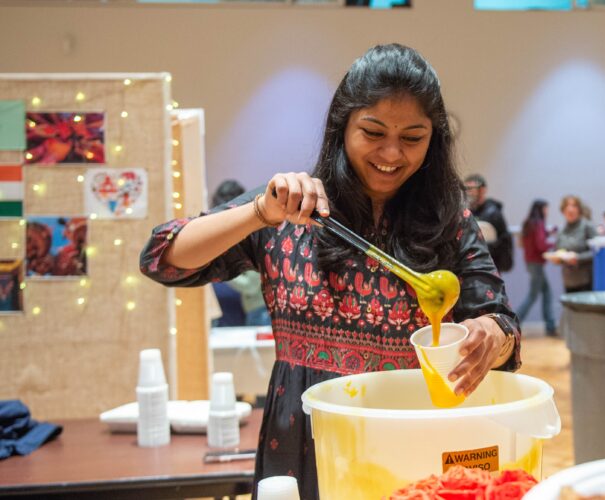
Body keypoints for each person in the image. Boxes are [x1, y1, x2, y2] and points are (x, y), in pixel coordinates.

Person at [140, 44, 521, 499]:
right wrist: (259, 212)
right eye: (373, 132)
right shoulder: (290, 208)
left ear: (433, 140)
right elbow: (162, 258)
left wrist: (492, 335)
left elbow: (502, 323)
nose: (392, 153)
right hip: (303, 438)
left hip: (412, 436)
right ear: (343, 127)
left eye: (413, 138)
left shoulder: (448, 219)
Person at [210, 180, 271, 327]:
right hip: (258, 309)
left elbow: (250, 285)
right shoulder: (250, 228)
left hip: (262, 311)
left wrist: (217, 267)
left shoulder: (253, 230)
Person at [516, 199, 557, 336]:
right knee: (533, 296)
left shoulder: (529, 223)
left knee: (546, 293)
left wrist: (547, 233)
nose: (547, 211)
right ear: (542, 209)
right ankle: (514, 322)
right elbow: (540, 245)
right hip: (537, 264)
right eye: (546, 208)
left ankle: (550, 326)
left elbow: (532, 241)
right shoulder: (538, 223)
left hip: (530, 262)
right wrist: (554, 245)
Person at [463, 174, 514, 273]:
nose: (467, 192)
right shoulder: (466, 212)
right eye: (465, 189)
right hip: (470, 267)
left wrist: (485, 248)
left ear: (482, 190)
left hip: (490, 267)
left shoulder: (494, 213)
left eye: (470, 188)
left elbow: (504, 241)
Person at [552, 195, 597, 293]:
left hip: (586, 280)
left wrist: (578, 258)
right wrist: (556, 257)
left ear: (579, 210)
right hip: (568, 280)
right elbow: (557, 250)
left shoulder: (587, 227)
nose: (570, 209)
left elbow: (597, 252)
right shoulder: (562, 231)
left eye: (574, 206)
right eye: (567, 206)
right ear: (563, 211)